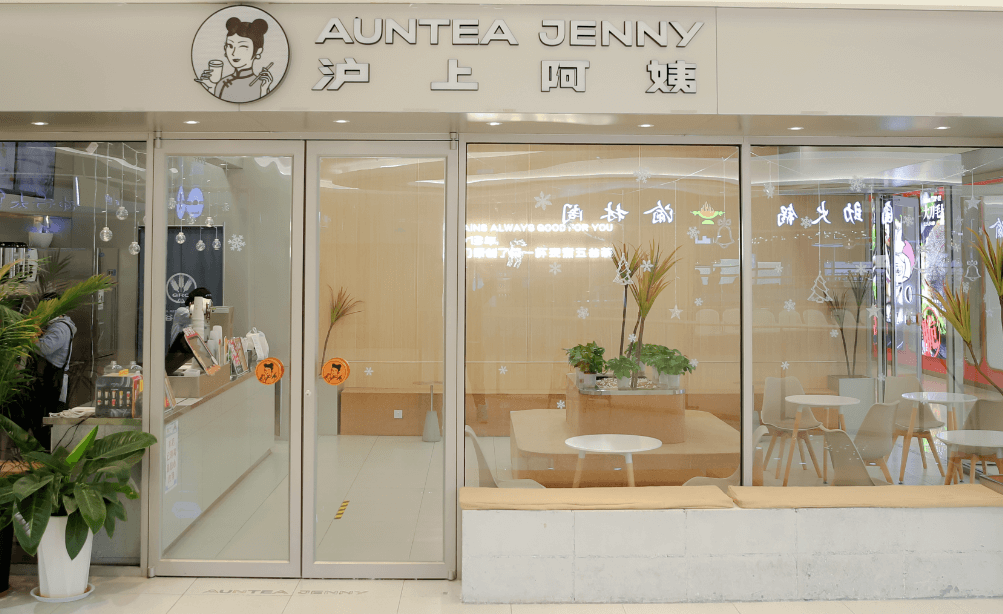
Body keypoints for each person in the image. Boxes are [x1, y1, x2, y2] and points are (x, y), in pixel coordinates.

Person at [30, 293, 77, 448]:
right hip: (53, 380)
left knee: (50, 424)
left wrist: (32, 338)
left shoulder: (60, 327)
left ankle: (49, 454)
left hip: (54, 382)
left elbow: (45, 348)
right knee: (48, 422)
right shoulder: (60, 326)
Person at [200, 17, 274, 103]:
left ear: (258, 51)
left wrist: (264, 90)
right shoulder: (221, 82)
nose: (234, 53)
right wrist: (211, 86)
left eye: (242, 46)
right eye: (230, 46)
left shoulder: (260, 85)